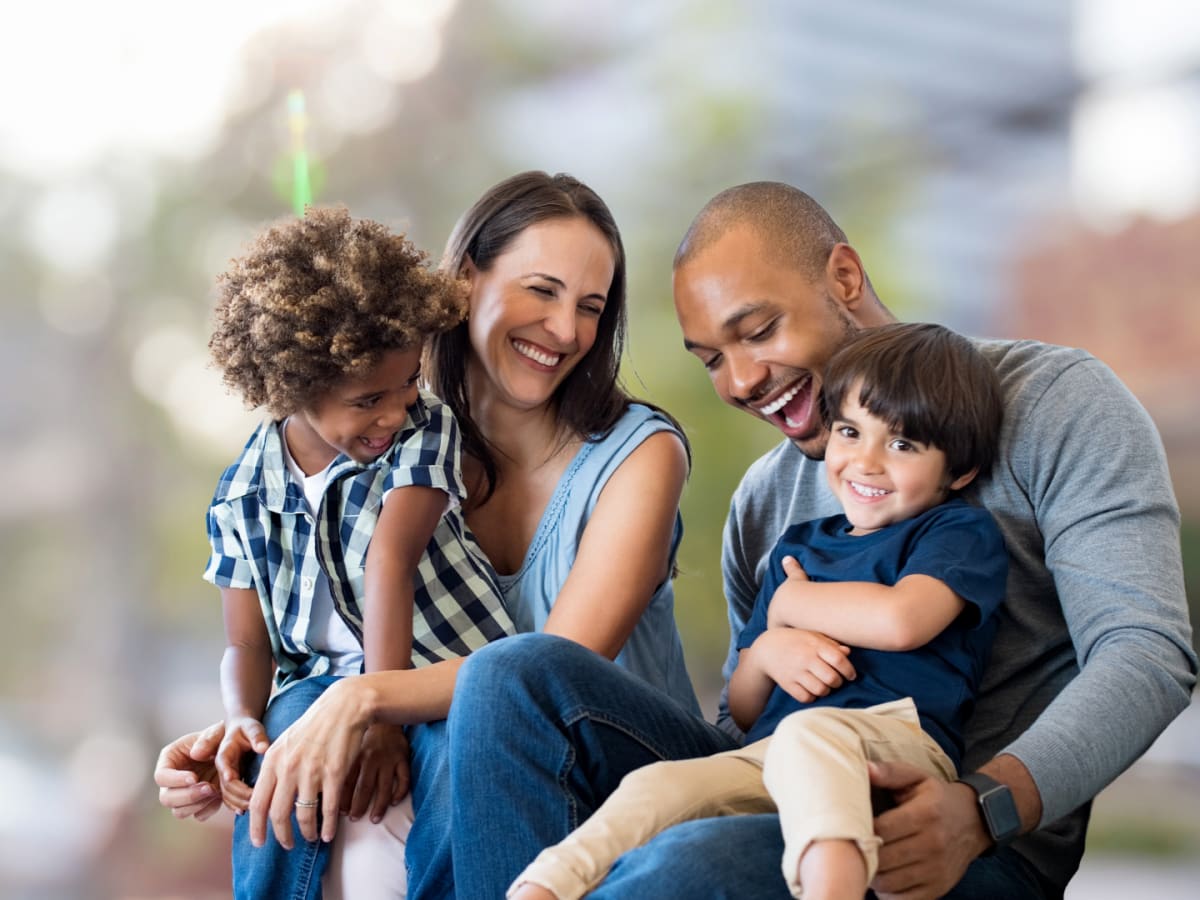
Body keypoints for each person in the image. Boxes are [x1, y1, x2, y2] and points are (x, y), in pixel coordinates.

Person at [437, 180, 1196, 899]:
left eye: (759, 331)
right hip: (776, 782)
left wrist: (982, 808)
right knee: (509, 674)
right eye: (712, 360)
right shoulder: (765, 499)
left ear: (844, 277)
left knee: (687, 862)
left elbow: (1146, 654)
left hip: (962, 842)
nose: (740, 381)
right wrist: (767, 655)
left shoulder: (1055, 403)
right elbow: (742, 724)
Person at [153, 171, 702, 899]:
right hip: (470, 765)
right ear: (466, 279)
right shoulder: (381, 436)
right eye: (542, 291)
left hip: (615, 769)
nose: (567, 330)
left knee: (476, 709)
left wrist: (364, 699)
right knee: (302, 727)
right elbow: (311, 629)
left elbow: (544, 677)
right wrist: (240, 730)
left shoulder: (639, 454)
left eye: (590, 308)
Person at [509, 322, 1008, 900]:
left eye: (902, 445)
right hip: (772, 754)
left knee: (808, 734)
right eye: (850, 432)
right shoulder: (799, 549)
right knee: (660, 785)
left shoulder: (955, 531)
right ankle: (543, 887)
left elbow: (903, 621)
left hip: (894, 744)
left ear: (959, 471)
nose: (866, 462)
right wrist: (769, 649)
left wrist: (795, 604)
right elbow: (745, 709)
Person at [201, 205, 516, 898]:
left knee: (454, 763)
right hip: (318, 684)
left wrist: (381, 712)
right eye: (369, 399)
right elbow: (246, 644)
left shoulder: (424, 430)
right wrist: (241, 718)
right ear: (294, 388)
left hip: (440, 668)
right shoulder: (241, 495)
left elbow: (389, 561)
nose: (394, 412)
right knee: (276, 755)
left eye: (408, 382)